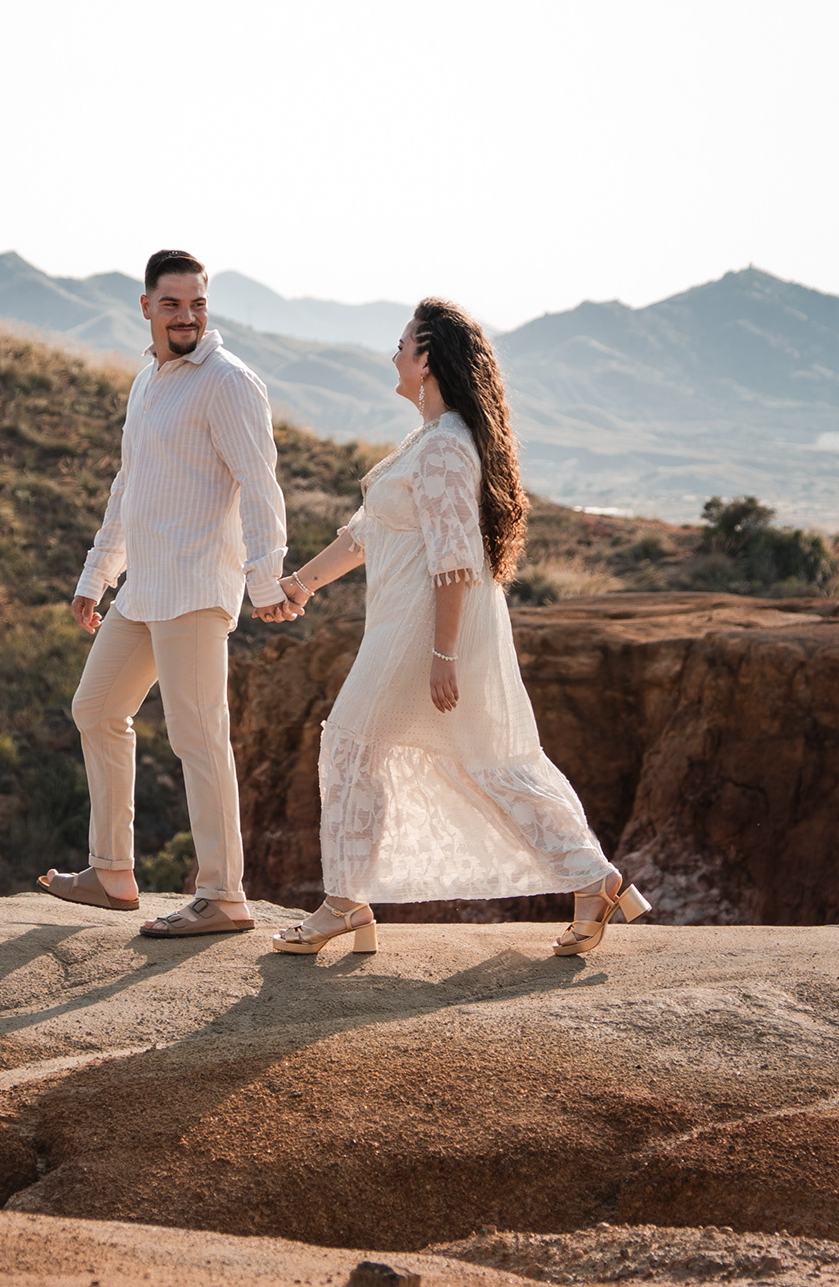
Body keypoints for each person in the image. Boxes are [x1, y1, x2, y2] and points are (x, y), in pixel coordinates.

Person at [267, 298, 646, 960]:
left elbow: (454, 561)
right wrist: (300, 583)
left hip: (421, 632)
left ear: (428, 360)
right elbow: (365, 536)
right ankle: (595, 880)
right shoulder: (429, 441)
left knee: (355, 747)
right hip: (405, 627)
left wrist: (443, 654)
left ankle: (344, 905)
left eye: (402, 343)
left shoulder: (444, 449)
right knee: (476, 761)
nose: (393, 353)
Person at [37, 248, 296, 938]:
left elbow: (260, 484)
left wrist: (267, 579)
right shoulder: (147, 383)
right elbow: (129, 489)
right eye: (174, 304)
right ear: (147, 307)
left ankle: (223, 895)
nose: (187, 316)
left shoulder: (229, 382)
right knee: (95, 709)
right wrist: (97, 577)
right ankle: (113, 873)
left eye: (199, 304)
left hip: (195, 588)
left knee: (199, 736)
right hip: (145, 587)